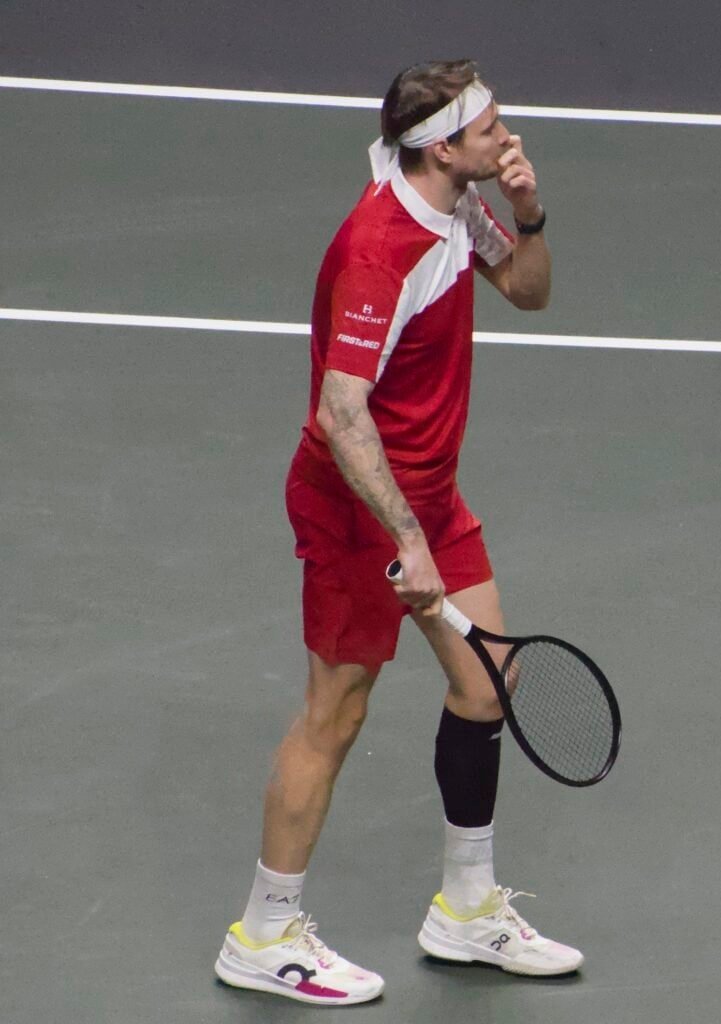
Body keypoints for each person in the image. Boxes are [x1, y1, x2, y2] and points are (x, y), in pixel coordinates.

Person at [214, 59, 583, 1006]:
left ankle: (464, 911)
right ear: (440, 146)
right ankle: (262, 934)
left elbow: (530, 292)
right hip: (354, 506)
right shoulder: (384, 247)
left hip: (428, 493)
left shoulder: (456, 208)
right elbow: (342, 415)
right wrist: (405, 542)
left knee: (490, 679)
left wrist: (528, 210)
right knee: (334, 712)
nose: (506, 136)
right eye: (490, 128)